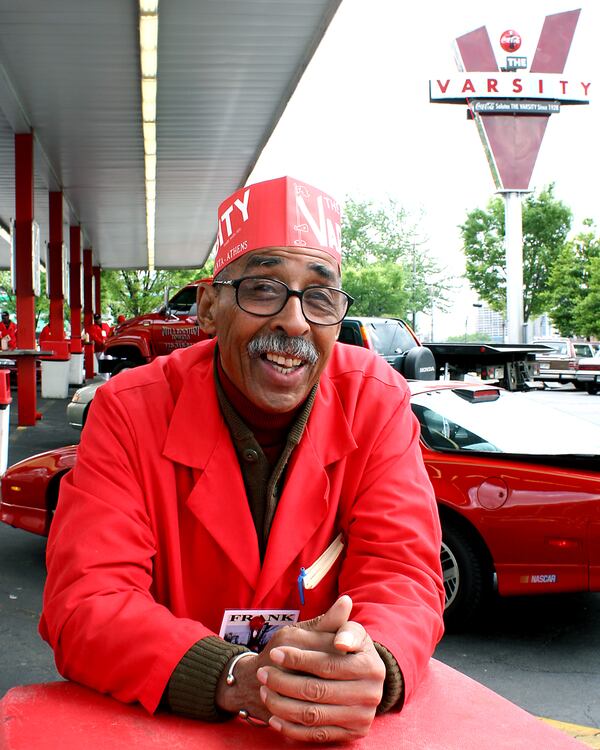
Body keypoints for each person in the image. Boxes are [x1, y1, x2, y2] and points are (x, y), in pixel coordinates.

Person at [41, 176, 444, 744]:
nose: (295, 322)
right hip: (163, 728)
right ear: (208, 307)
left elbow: (403, 574)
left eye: (320, 298)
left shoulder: (375, 399)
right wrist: (233, 676)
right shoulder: (130, 409)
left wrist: (373, 660)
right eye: (263, 289)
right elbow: (87, 601)